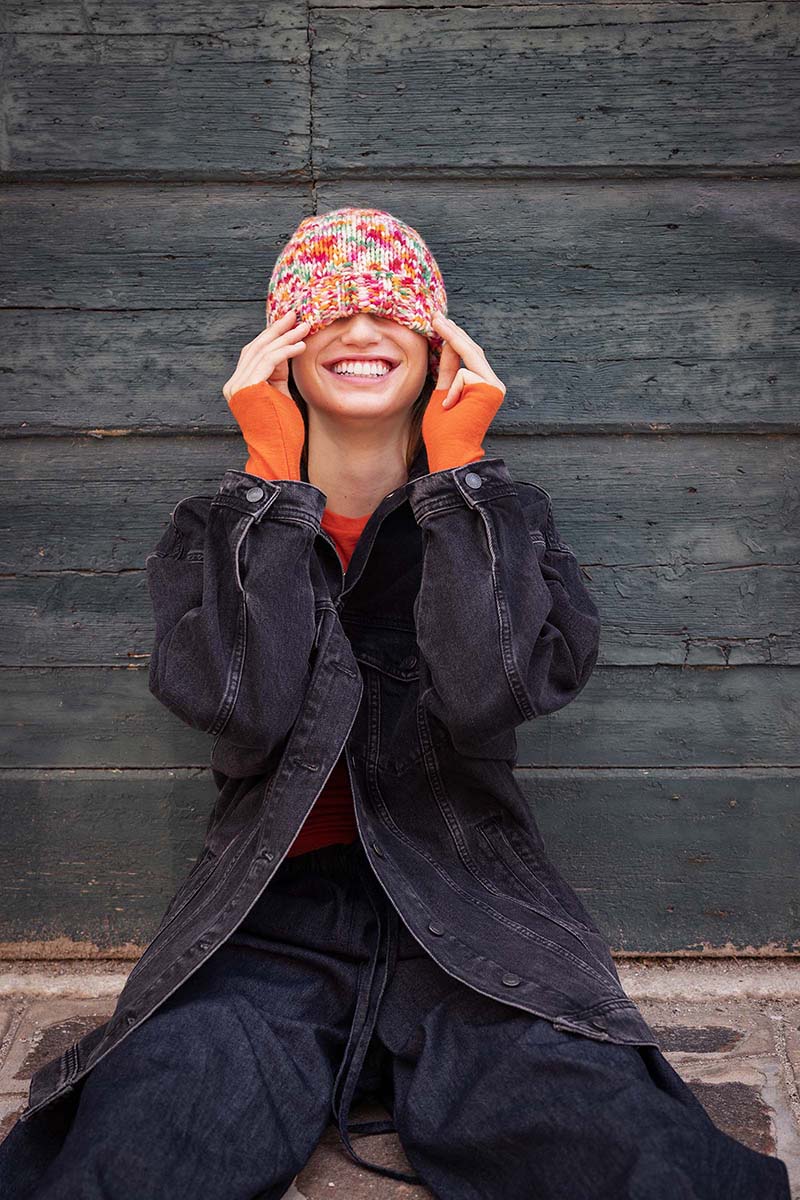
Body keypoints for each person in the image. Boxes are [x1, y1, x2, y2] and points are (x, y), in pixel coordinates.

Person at [0, 207, 791, 1199]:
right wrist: (267, 479)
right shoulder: (218, 528)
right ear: (283, 348)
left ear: (434, 345)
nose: (361, 328)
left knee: (600, 1127)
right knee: (158, 1119)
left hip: (469, 906)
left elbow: (488, 693)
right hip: (268, 913)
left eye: (391, 308)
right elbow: (245, 707)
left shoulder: (501, 518)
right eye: (326, 309)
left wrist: (460, 476)